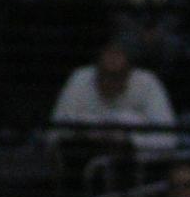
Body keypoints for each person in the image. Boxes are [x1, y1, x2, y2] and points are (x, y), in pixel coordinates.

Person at [50, 39, 178, 158]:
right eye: (107, 75)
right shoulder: (80, 78)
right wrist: (89, 135)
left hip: (135, 166)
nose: (112, 60)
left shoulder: (147, 82)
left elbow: (167, 140)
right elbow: (55, 133)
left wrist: (127, 140)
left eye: (116, 76)